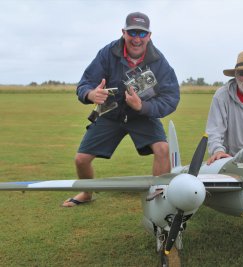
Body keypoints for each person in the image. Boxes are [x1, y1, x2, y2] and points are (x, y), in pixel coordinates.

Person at [63, 12, 180, 207]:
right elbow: (85, 84)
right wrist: (91, 94)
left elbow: (171, 97)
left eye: (142, 34)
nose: (137, 38)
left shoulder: (159, 61)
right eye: (132, 32)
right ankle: (86, 193)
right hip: (110, 113)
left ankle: (161, 195)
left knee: (162, 149)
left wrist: (143, 106)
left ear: (149, 36)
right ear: (123, 32)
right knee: (81, 159)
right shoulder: (107, 53)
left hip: (142, 115)